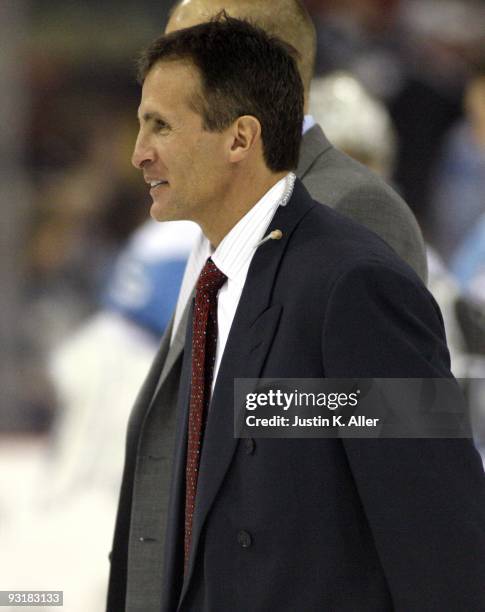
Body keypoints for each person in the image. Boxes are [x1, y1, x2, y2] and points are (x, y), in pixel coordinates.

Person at [107, 15, 485, 612]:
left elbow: (440, 528)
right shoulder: (219, 279)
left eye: (161, 127)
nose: (138, 155)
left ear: (239, 139)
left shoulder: (356, 281)